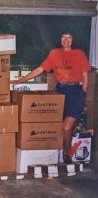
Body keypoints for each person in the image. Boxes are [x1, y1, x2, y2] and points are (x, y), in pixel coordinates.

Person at [11, 33, 90, 164]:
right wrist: (20, 81)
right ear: (60, 40)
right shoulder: (54, 53)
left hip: (76, 91)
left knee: (66, 127)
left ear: (73, 40)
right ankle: (55, 153)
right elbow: (39, 70)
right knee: (56, 126)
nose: (66, 40)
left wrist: (82, 94)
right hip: (60, 90)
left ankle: (66, 152)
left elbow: (86, 77)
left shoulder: (79, 53)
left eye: (69, 37)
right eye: (63, 37)